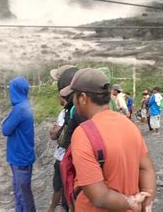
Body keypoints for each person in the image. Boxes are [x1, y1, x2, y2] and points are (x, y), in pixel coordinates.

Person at [63, 68, 156, 211]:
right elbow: (146, 168)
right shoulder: (129, 125)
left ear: (82, 98)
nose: (73, 100)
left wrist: (131, 202)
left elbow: (99, 197)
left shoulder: (83, 134)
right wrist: (146, 203)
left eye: (74, 96)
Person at [1, 77, 36, 212]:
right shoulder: (25, 105)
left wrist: (4, 121)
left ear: (15, 91)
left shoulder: (19, 109)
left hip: (20, 157)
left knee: (22, 194)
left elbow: (5, 129)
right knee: (20, 191)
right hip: (22, 156)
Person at [48, 65, 80, 212]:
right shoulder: (77, 108)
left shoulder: (71, 110)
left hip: (68, 159)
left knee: (66, 191)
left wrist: (56, 130)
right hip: (76, 159)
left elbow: (58, 137)